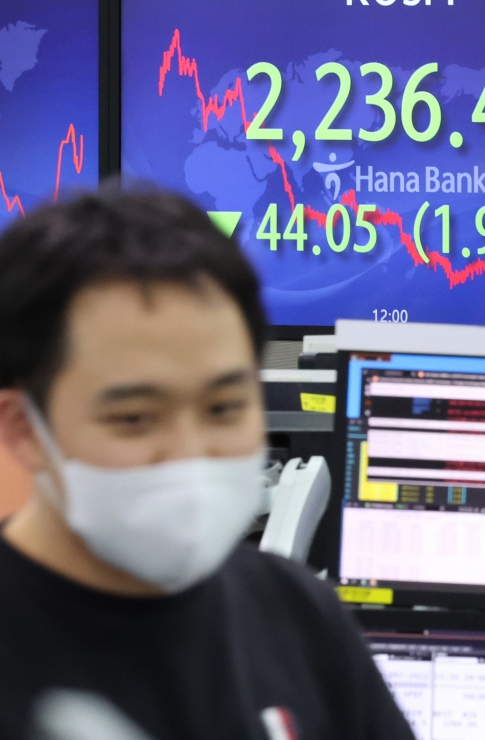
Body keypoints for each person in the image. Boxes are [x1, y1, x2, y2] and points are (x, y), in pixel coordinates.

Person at [0, 186, 414, 740]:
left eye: (224, 407)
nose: (191, 454)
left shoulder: (298, 617)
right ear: (24, 428)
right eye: (135, 418)